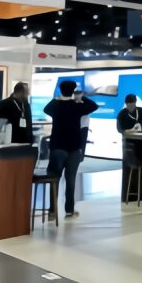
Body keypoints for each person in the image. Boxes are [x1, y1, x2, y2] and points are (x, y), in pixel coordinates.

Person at [44, 81, 99, 219]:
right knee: (71, 179)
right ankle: (69, 210)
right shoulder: (77, 106)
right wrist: (82, 97)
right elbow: (94, 106)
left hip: (57, 146)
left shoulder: (56, 105)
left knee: (54, 179)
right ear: (73, 91)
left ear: (60, 90)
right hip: (74, 147)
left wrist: (56, 99)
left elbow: (46, 109)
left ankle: (52, 212)